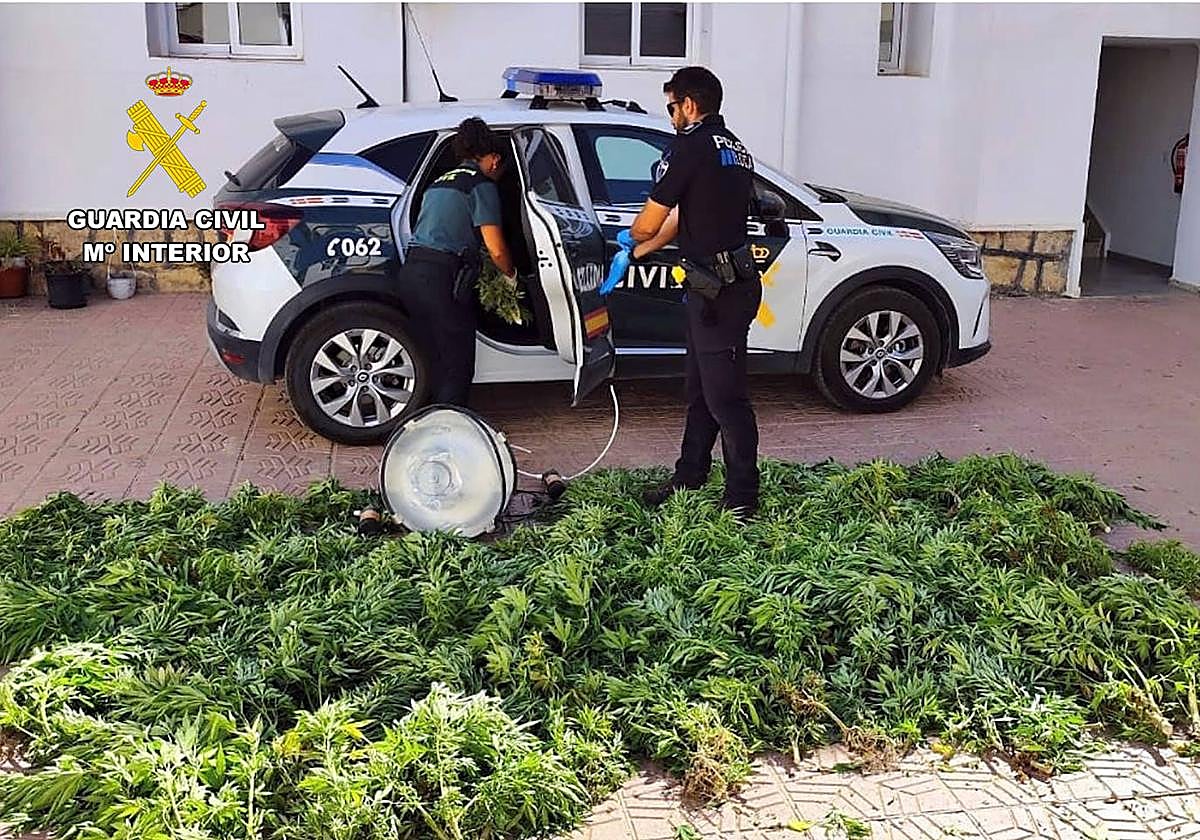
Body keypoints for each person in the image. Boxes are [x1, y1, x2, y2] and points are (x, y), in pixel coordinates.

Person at [623, 66, 761, 516]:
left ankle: (742, 498)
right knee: (700, 390)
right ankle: (691, 473)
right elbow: (684, 216)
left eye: (671, 106)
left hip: (719, 292)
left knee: (727, 399)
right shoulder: (734, 147)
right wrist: (645, 250)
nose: (671, 116)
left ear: (690, 105)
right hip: (720, 288)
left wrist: (632, 237)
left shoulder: (690, 147)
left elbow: (651, 216)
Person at [402, 117, 517, 406]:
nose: (497, 170)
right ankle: (451, 425)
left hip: (413, 273)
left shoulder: (439, 183)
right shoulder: (480, 186)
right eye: (498, 165)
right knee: (457, 361)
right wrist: (511, 277)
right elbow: (497, 249)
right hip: (443, 279)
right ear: (493, 159)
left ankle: (426, 419)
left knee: (431, 358)